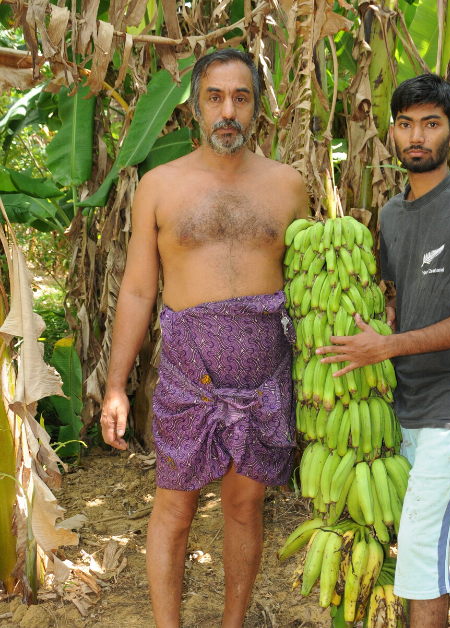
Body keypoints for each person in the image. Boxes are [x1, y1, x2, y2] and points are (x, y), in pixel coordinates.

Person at [99, 49, 308, 628]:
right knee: (174, 506)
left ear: (257, 109)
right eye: (215, 97)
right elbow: (139, 290)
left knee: (245, 506)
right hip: (188, 375)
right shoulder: (159, 186)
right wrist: (117, 385)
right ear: (194, 105)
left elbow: (307, 290)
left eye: (241, 98)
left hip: (266, 376)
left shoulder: (289, 187)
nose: (227, 111)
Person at [316, 73, 450, 628]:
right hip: (399, 397)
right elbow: (398, 303)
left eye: (431, 123)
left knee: (424, 556)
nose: (416, 136)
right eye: (405, 125)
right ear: (393, 134)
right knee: (397, 546)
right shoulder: (391, 216)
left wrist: (388, 346)